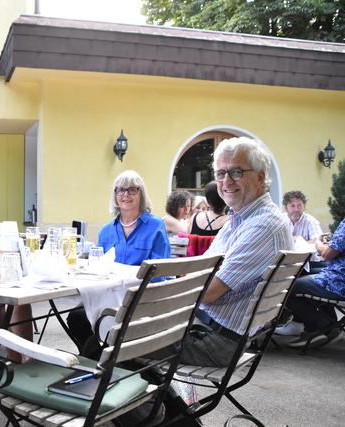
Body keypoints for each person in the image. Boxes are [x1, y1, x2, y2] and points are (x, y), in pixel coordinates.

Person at [158, 136, 293, 367]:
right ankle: (164, 401)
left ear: (260, 177)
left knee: (110, 339)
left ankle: (160, 403)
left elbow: (208, 292)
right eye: (221, 173)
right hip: (206, 325)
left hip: (215, 339)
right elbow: (203, 268)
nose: (226, 181)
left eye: (236, 172)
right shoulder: (239, 218)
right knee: (106, 325)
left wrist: (157, 299)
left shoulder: (263, 226)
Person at [67, 170, 171, 353]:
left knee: (96, 330)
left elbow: (159, 273)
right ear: (114, 195)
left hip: (140, 300)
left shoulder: (155, 225)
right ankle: (101, 357)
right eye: (120, 190)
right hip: (106, 298)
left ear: (142, 194)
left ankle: (102, 360)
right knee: (76, 317)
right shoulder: (106, 230)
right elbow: (98, 267)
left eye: (132, 189)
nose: (125, 194)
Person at [284, 218, 345, 349]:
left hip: (339, 281)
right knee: (309, 270)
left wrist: (318, 243)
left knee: (287, 286)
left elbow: (326, 254)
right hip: (338, 271)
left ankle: (325, 327)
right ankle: (312, 329)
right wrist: (330, 245)